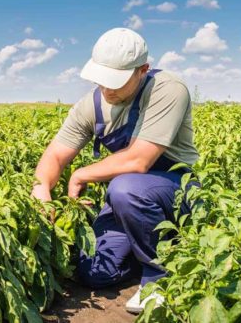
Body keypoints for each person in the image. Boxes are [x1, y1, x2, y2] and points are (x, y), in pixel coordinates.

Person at [30, 27, 200, 313]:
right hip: (130, 201)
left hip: (176, 190)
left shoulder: (167, 89)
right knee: (95, 270)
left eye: (116, 82)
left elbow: (139, 160)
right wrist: (41, 188)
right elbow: (56, 155)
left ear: (142, 70)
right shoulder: (92, 106)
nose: (107, 90)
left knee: (124, 188)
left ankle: (160, 278)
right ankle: (163, 248)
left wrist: (81, 173)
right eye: (102, 80)